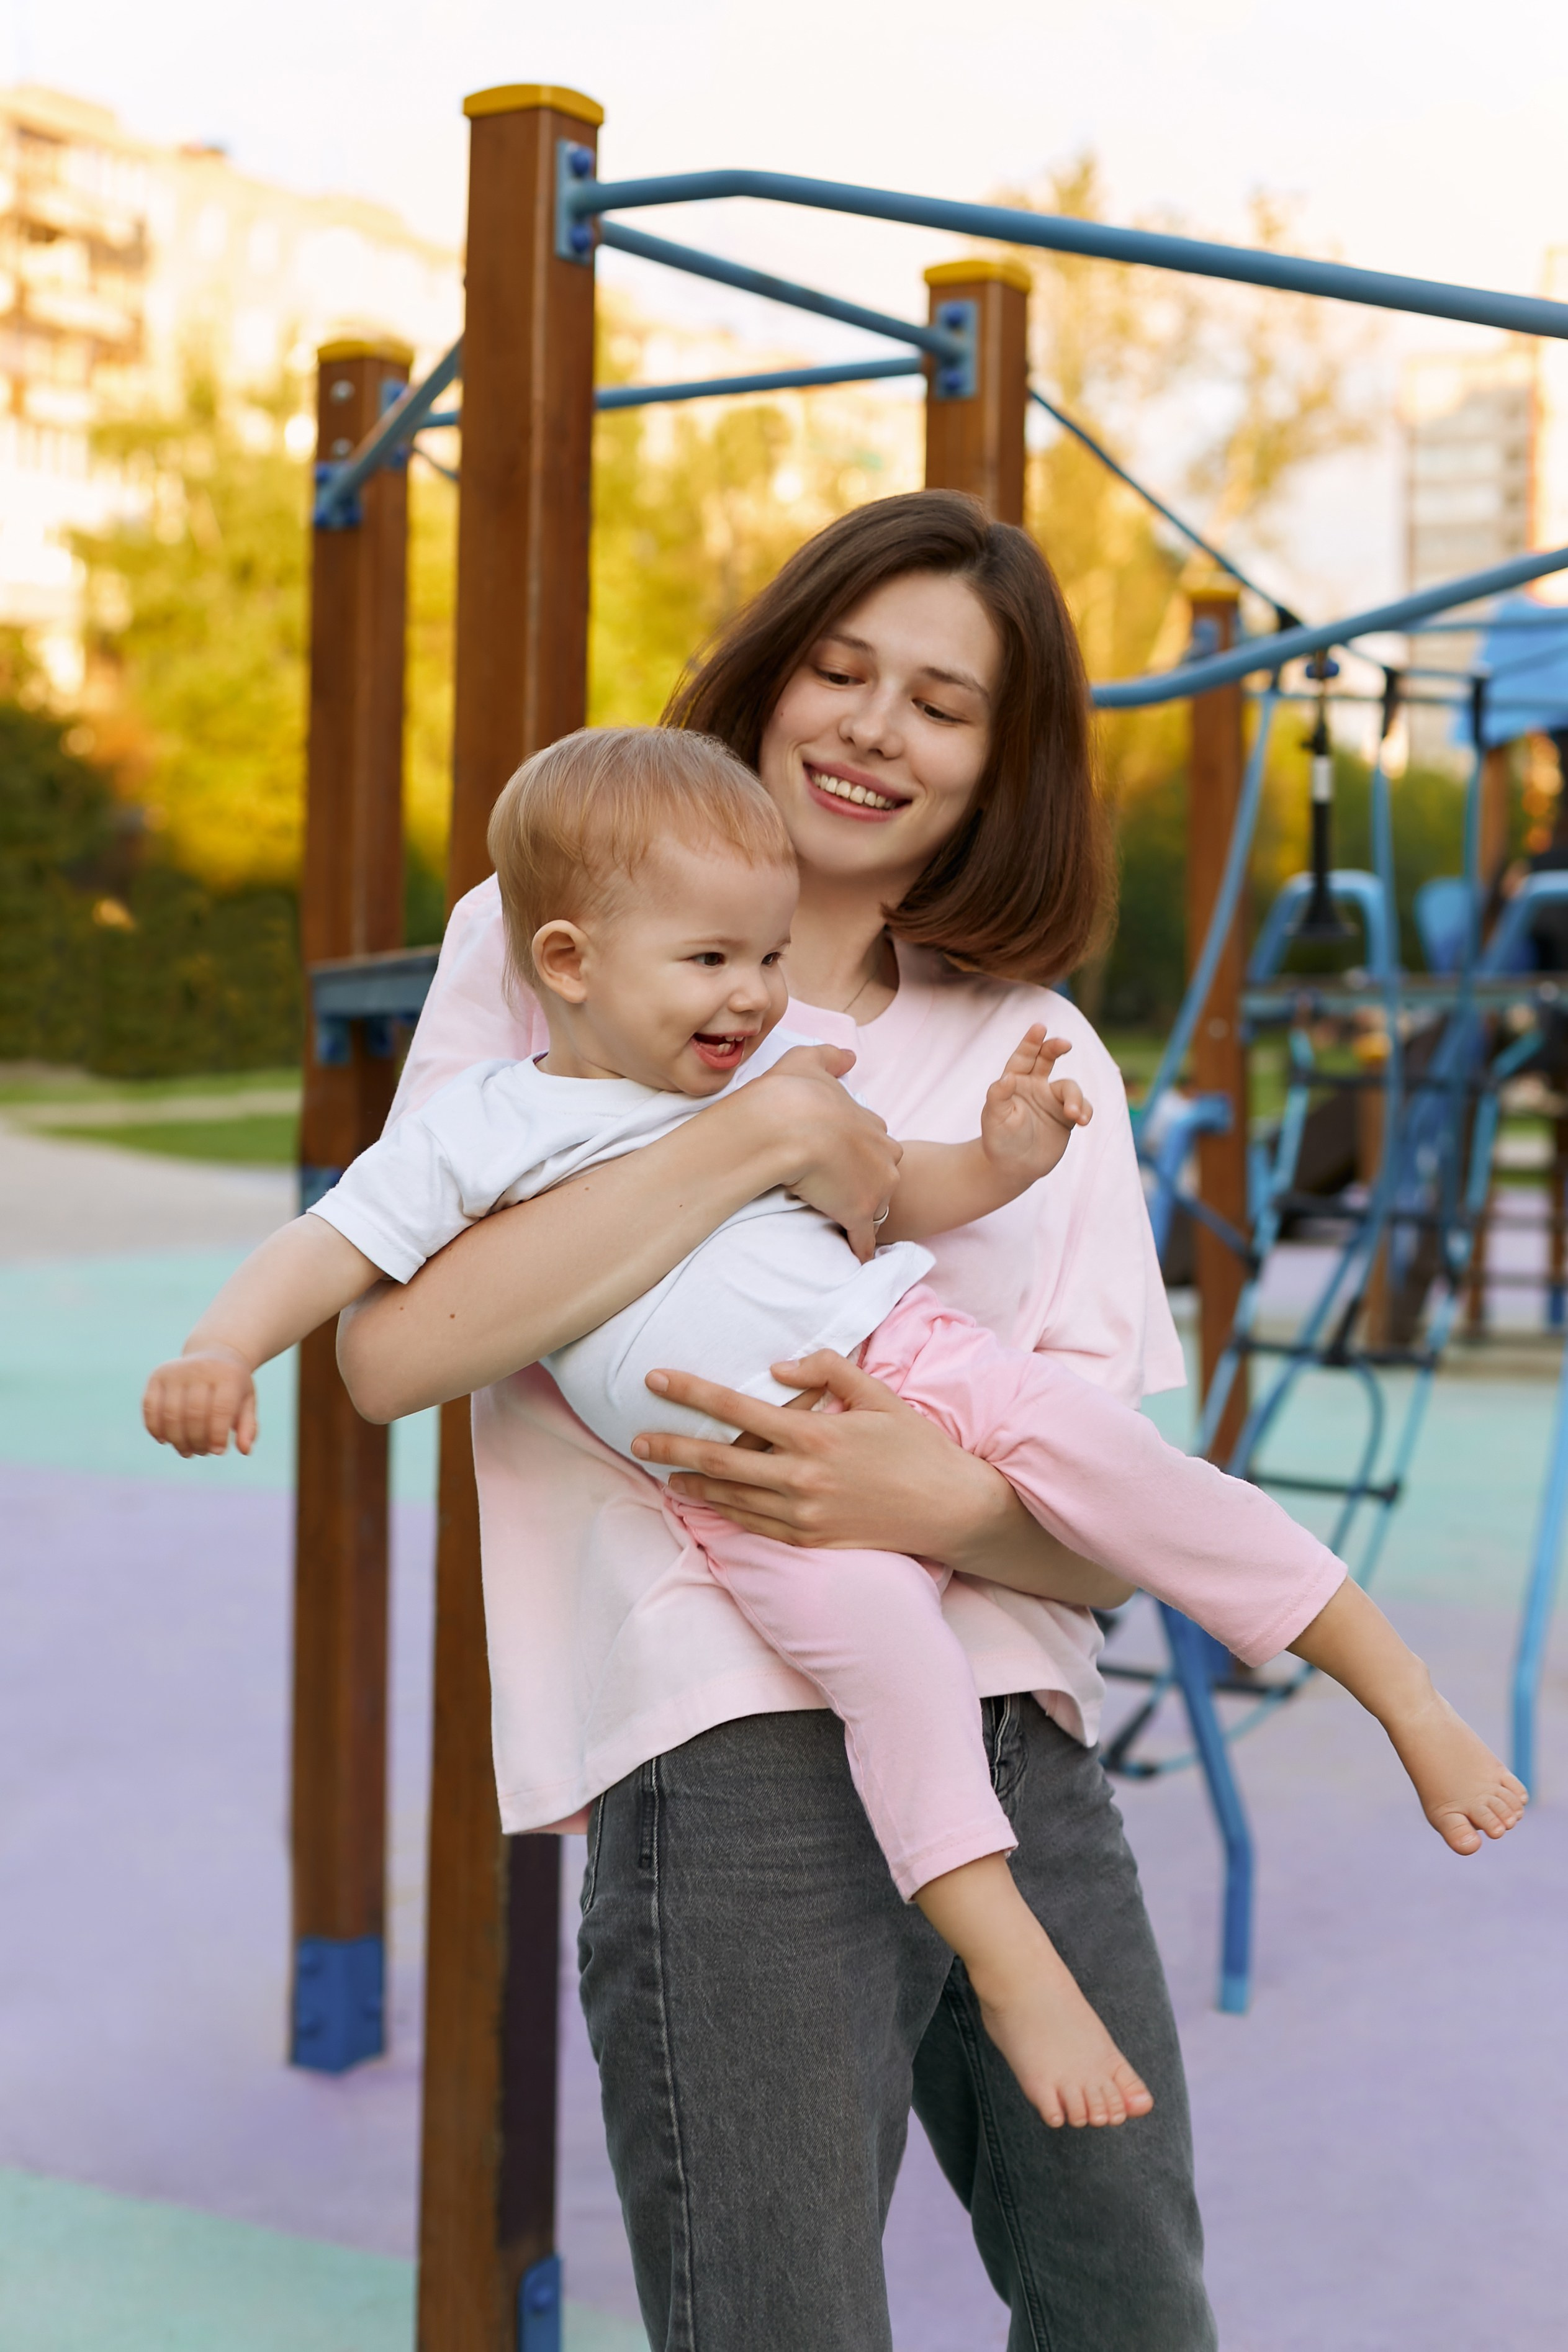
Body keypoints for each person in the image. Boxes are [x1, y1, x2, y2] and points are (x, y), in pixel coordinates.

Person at [204, 495, 1525, 2348]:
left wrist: (933, 1502)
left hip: (1019, 1738)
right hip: (726, 1742)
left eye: (942, 702)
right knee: (784, 2320)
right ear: (765, 675)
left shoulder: (1029, 1047)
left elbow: (1111, 1504)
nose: (873, 727)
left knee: (1132, 2299)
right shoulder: (538, 939)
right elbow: (392, 1355)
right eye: (838, 669)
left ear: (1004, 765)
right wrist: (755, 1131)